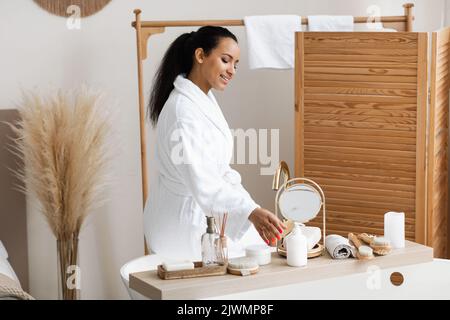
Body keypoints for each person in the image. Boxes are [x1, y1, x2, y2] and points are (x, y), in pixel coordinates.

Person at [143, 26, 285, 260]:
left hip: (203, 210)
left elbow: (220, 171)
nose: (232, 71)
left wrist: (251, 207)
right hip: (180, 226)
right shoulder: (183, 113)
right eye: (226, 60)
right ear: (200, 56)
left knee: (263, 250)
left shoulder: (202, 99)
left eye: (236, 64)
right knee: (251, 258)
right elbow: (205, 183)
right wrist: (250, 212)